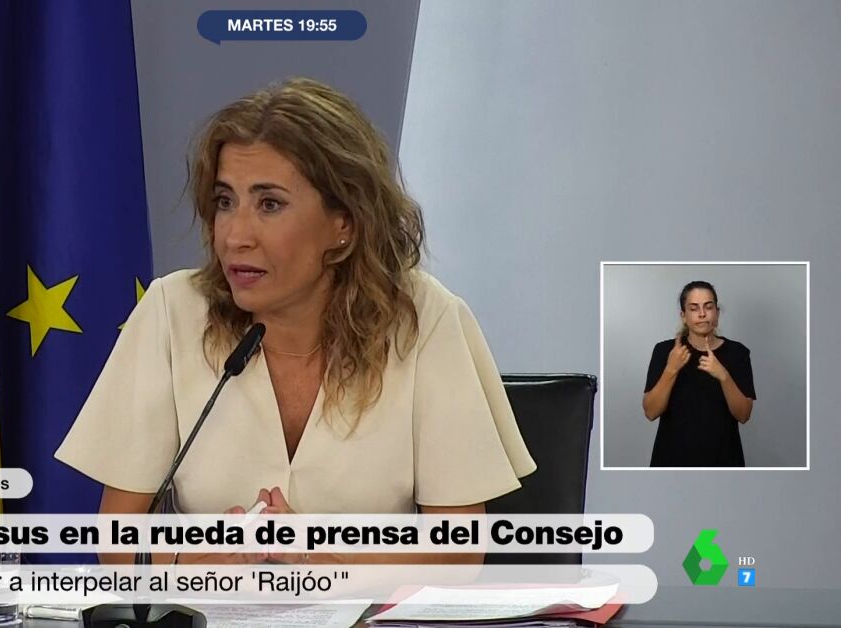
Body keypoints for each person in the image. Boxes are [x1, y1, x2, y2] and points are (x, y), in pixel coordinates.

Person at [55, 78, 536, 564]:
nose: (235, 236)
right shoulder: (172, 312)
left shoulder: (426, 321)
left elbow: (458, 554)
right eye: (225, 202)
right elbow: (118, 540)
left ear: (343, 224)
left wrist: (323, 563)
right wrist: (197, 567)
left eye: (270, 204)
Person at [642, 281, 755, 467]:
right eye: (694, 308)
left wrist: (723, 375)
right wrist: (671, 368)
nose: (702, 314)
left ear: (717, 313)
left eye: (708, 307)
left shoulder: (737, 353)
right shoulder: (665, 351)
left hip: (723, 462)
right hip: (671, 463)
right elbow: (651, 412)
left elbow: (743, 415)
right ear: (683, 316)